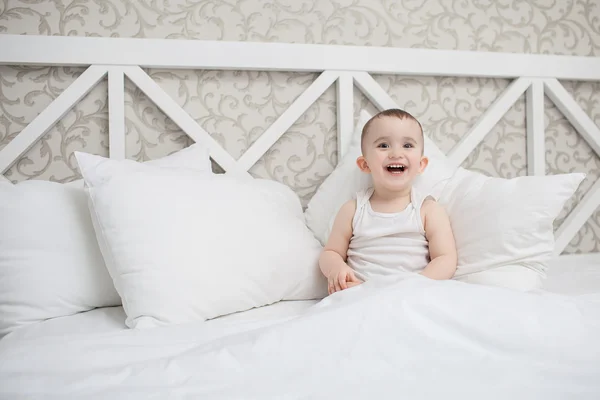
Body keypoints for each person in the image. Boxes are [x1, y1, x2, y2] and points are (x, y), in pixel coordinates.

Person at [319, 109, 457, 295]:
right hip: (360, 294)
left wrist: (416, 285)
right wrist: (337, 269)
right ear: (365, 165)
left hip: (411, 294)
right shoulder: (353, 209)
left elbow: (445, 258)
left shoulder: (428, 210)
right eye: (383, 145)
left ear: (421, 165)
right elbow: (330, 253)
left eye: (407, 145)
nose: (396, 153)